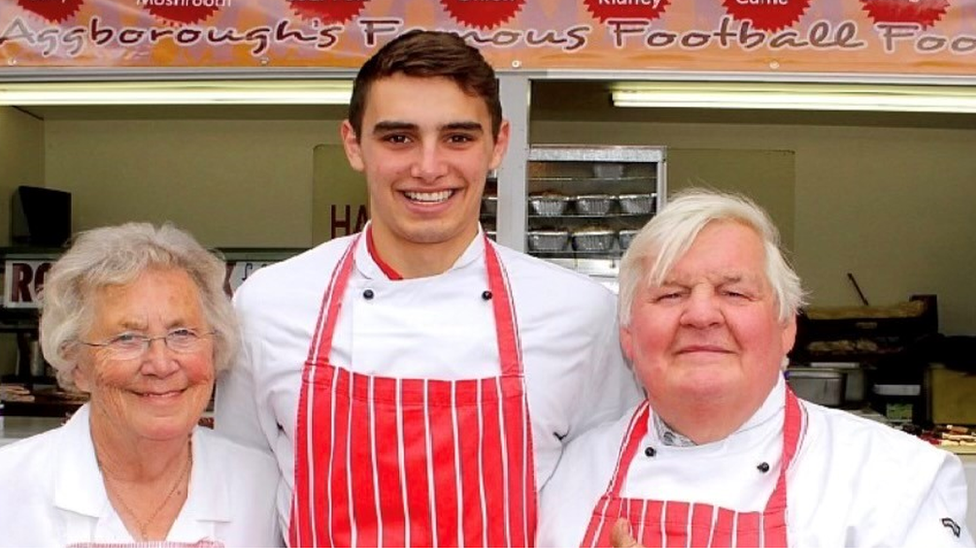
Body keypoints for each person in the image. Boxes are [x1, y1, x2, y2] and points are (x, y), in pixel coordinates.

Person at [214, 29, 640, 547]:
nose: (429, 167)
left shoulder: (582, 315)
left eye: (458, 137)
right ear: (354, 145)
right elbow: (242, 499)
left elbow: (602, 499)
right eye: (399, 137)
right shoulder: (269, 303)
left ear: (497, 145)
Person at [537, 189, 974, 547]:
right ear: (628, 334)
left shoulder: (895, 479)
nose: (701, 315)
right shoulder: (565, 474)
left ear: (786, 329)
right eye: (671, 294)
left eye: (734, 293)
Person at [0, 223, 281, 547]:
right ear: (76, 363)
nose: (161, 364)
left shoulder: (265, 489)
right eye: (127, 338)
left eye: (182, 334)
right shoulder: (9, 487)